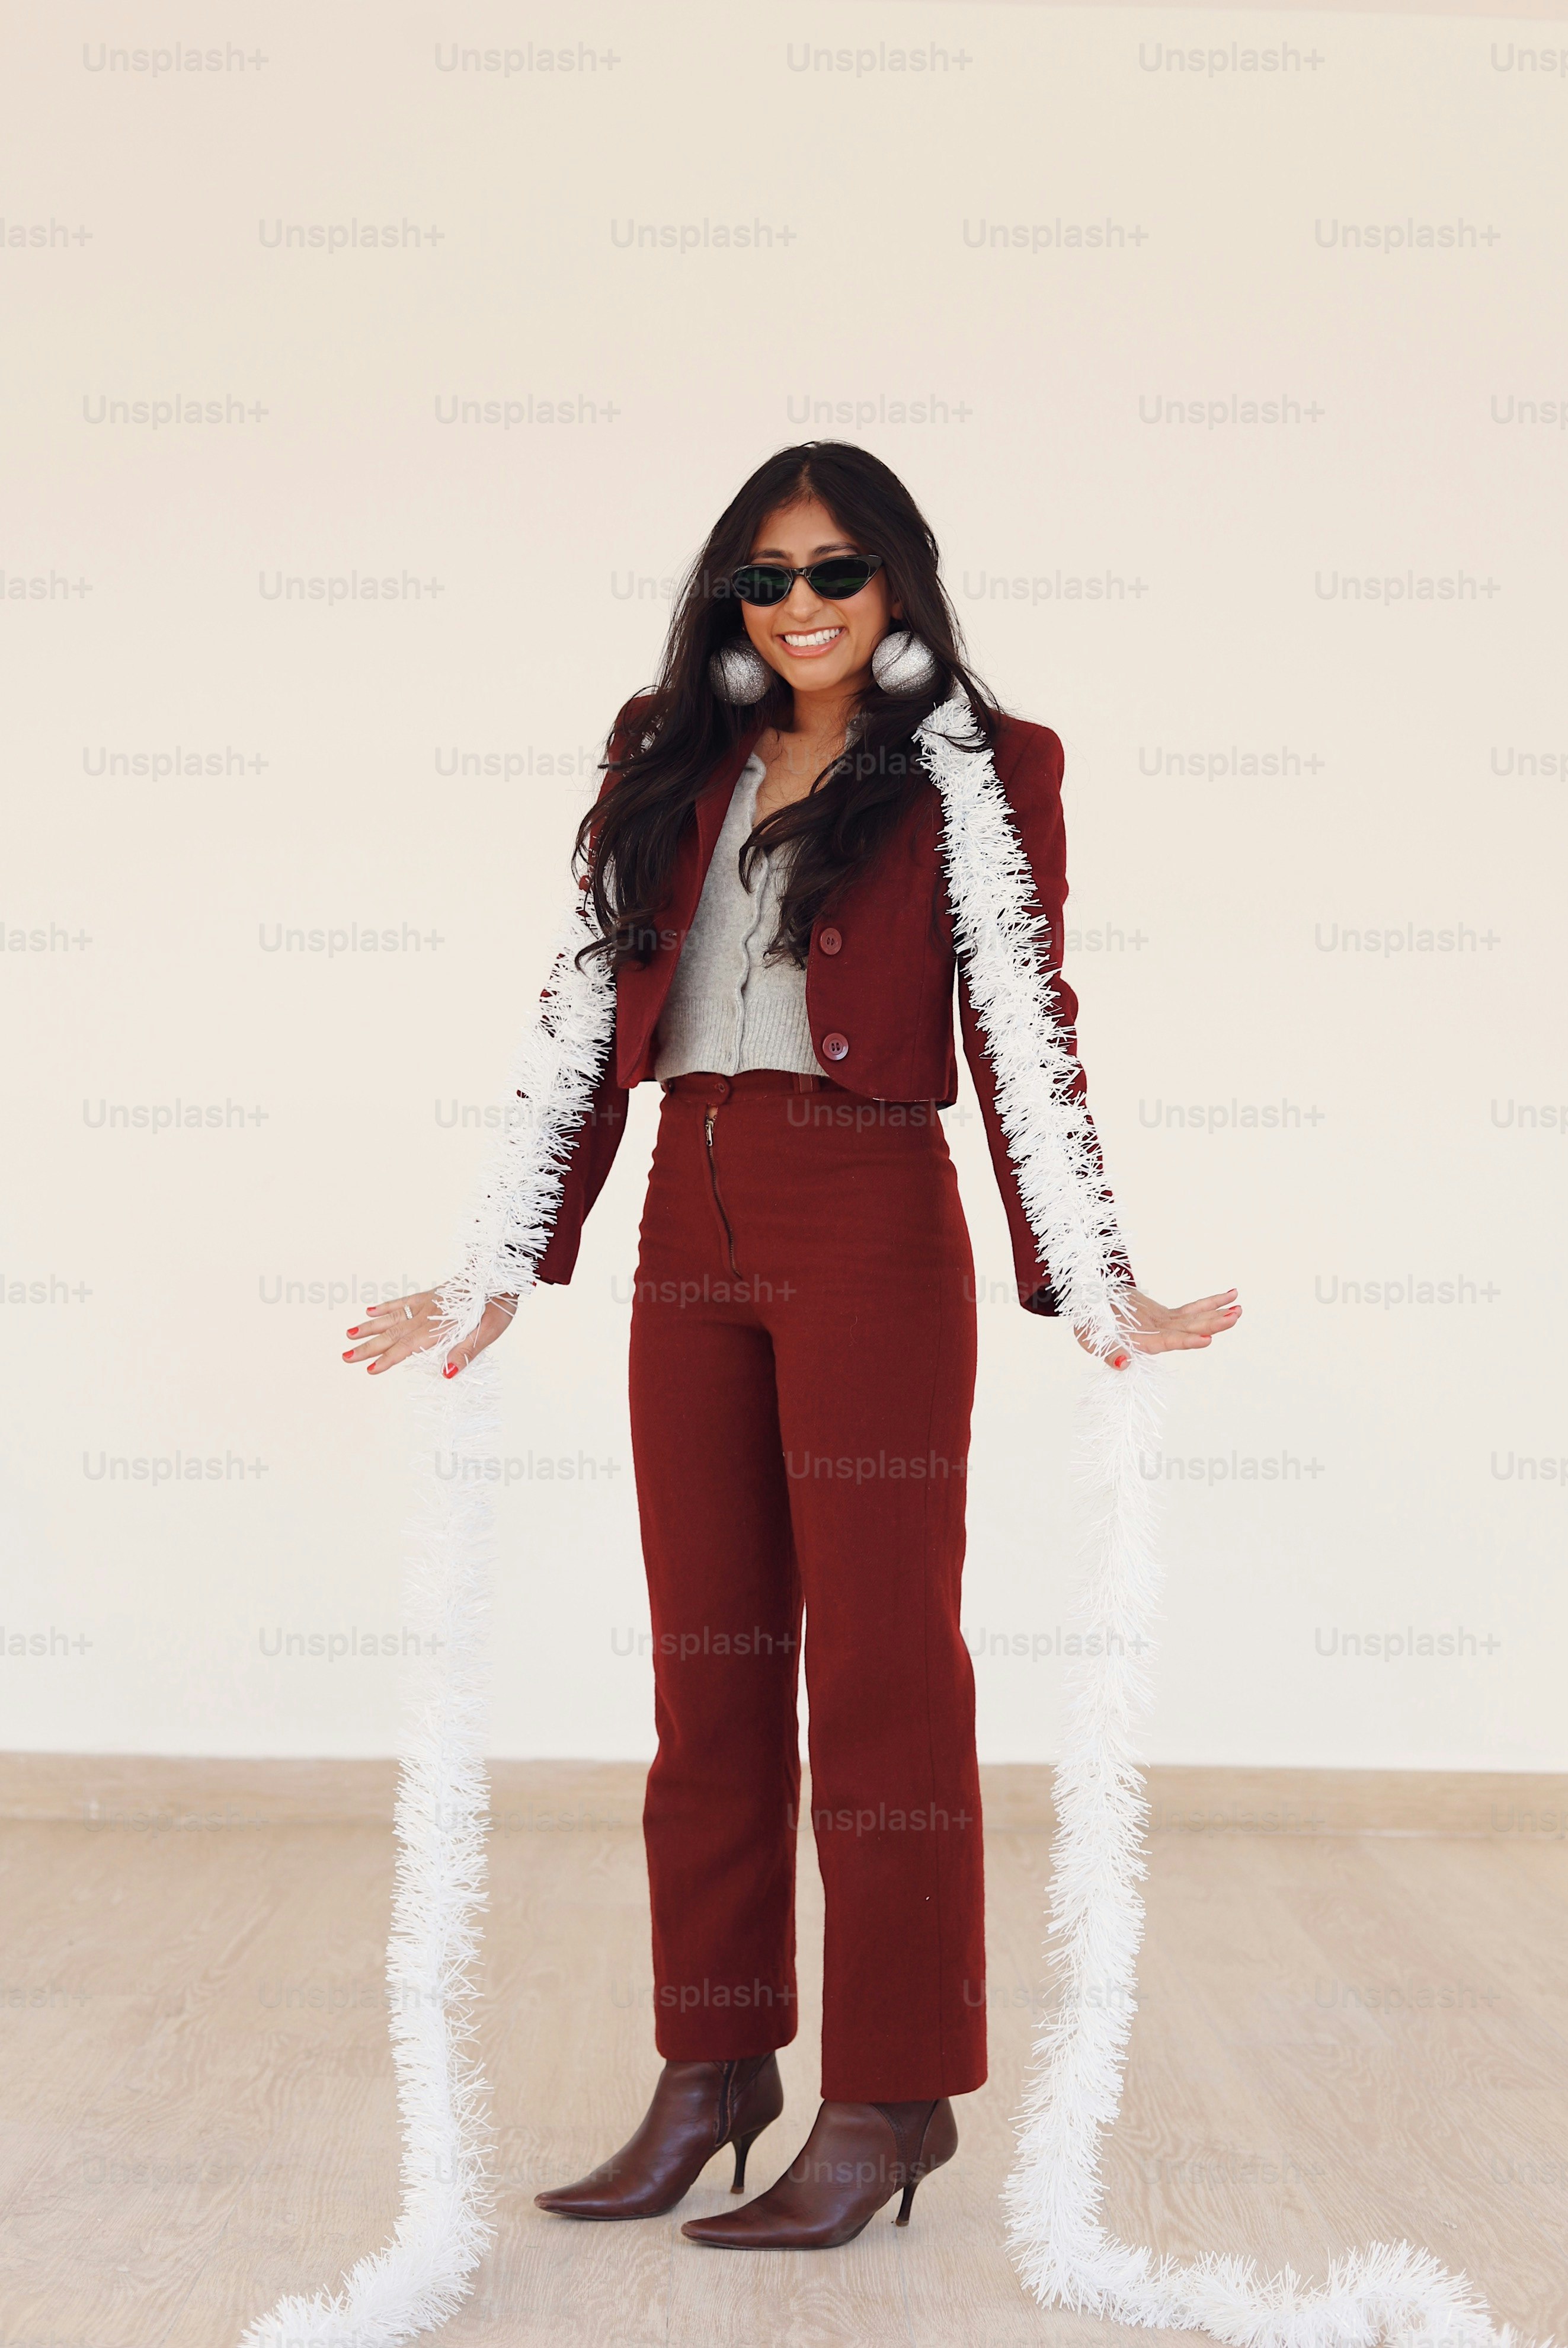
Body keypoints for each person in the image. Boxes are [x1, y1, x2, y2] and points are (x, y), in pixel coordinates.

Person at [339, 442, 1240, 2251]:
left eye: (838, 569)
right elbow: (592, 1000)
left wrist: (1094, 1267)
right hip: (694, 1208)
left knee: (888, 1675)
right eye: (767, 575)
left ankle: (892, 2093)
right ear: (727, 600)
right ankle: (715, 2065)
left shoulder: (987, 769)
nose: (804, 603)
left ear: (899, 583)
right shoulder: (663, 749)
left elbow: (1024, 1014)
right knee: (713, 1663)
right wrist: (502, 1256)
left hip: (869, 1212)